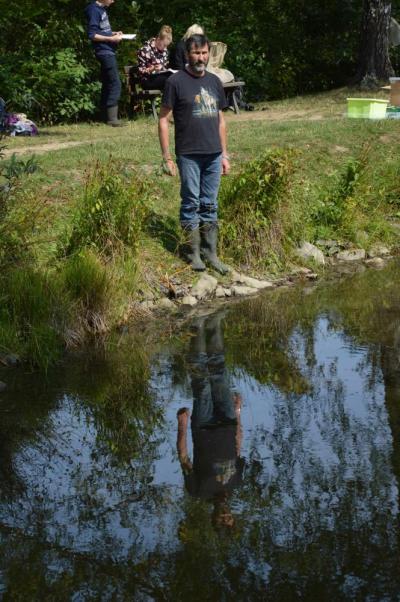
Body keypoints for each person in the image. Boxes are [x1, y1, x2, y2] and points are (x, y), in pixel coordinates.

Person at [158, 34, 230, 274]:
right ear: (188, 54)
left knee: (210, 205)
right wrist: (167, 157)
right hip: (188, 153)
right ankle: (194, 253)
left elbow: (221, 120)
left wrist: (225, 154)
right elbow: (163, 119)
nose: (201, 57)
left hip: (214, 154)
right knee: (191, 202)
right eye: (196, 53)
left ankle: (211, 254)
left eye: (204, 53)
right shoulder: (175, 82)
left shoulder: (214, 82)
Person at [176, 312, 244, 530]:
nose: (225, 517)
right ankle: (214, 322)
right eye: (229, 520)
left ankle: (196, 325)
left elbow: (184, 459)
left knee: (202, 383)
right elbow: (238, 449)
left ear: (213, 518)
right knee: (219, 372)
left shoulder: (198, 491)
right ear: (232, 516)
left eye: (220, 521)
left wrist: (182, 425)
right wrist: (238, 413)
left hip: (203, 427)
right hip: (228, 421)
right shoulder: (236, 483)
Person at [85, 0, 124, 126]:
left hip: (108, 50)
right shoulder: (93, 10)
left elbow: (101, 31)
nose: (113, 1)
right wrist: (111, 39)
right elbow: (92, 34)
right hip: (104, 51)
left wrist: (113, 33)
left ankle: (104, 116)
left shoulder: (102, 9)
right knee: (115, 83)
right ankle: (112, 118)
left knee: (107, 83)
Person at [137, 25, 173, 91]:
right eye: (164, 45)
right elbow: (140, 70)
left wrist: (164, 68)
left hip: (161, 78)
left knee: (176, 79)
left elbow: (165, 66)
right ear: (158, 39)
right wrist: (151, 69)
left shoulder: (165, 51)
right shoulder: (145, 50)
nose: (165, 48)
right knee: (170, 81)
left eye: (166, 46)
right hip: (147, 79)